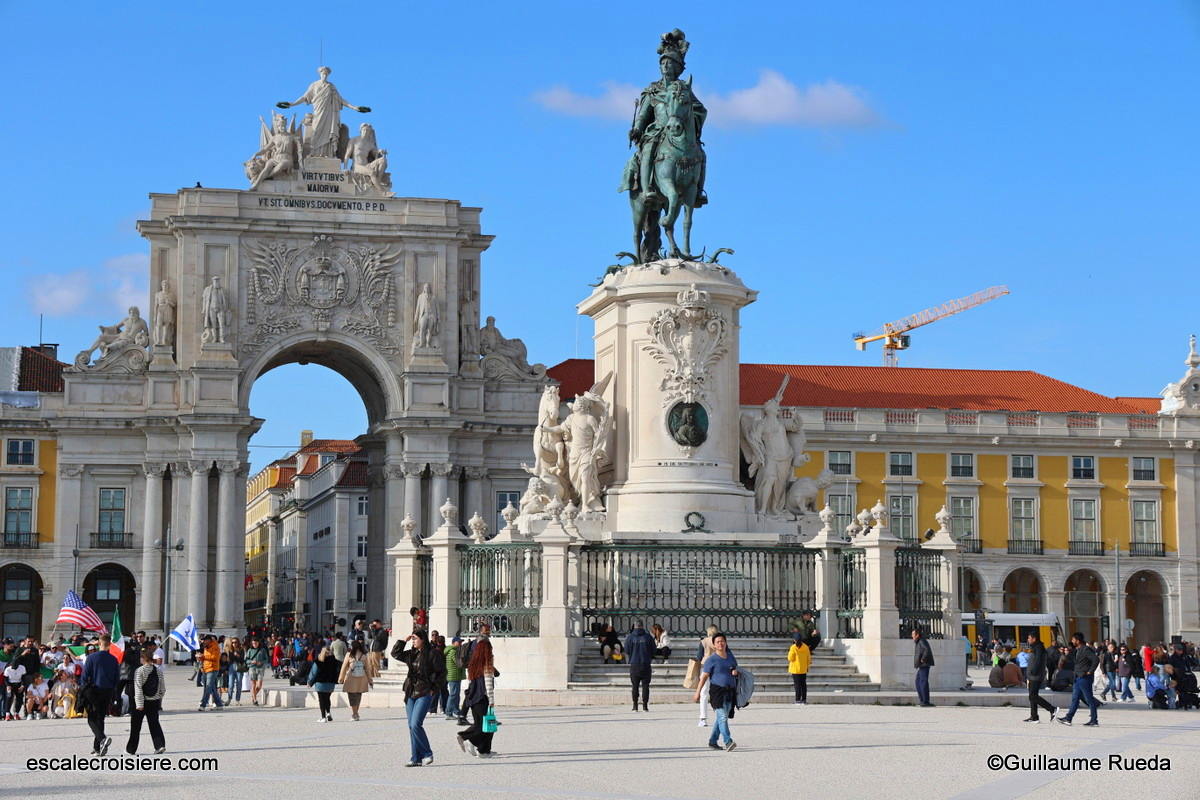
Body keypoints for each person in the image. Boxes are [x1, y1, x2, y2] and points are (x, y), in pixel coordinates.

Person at [392, 629, 445, 767]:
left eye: (416, 638)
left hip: (424, 691)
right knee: (411, 726)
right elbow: (395, 654)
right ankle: (416, 758)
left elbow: (441, 673)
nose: (414, 641)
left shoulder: (433, 654)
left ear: (423, 639)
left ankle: (427, 753)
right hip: (410, 692)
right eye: (413, 639)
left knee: (416, 724)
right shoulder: (411, 654)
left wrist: (434, 688)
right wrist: (404, 640)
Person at [692, 632, 738, 752]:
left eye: (722, 641)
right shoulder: (711, 660)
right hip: (717, 692)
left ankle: (713, 741)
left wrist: (735, 671)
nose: (720, 644)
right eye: (717, 642)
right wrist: (697, 692)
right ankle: (728, 741)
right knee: (722, 717)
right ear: (714, 645)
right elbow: (704, 677)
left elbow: (734, 667)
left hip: (729, 691)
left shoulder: (730, 657)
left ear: (726, 642)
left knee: (721, 718)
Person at [456, 637, 499, 758]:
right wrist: (491, 700)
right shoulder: (486, 663)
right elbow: (488, 684)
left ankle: (484, 750)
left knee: (486, 725)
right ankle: (471, 741)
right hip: (482, 698)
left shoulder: (473, 663)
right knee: (486, 726)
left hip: (473, 698)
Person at [81, 634, 118, 755]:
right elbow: (116, 678)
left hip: (94, 691)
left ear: (99, 644)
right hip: (107, 691)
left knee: (91, 719)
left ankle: (102, 738)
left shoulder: (91, 657)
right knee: (100, 718)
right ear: (109, 644)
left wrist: (83, 690)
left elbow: (85, 677)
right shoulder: (114, 659)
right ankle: (97, 747)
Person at [127, 648, 166, 755]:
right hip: (154, 702)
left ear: (143, 658)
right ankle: (160, 745)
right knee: (154, 724)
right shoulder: (158, 671)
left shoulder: (140, 670)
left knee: (135, 727)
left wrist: (139, 704)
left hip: (142, 702)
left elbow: (138, 688)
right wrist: (158, 697)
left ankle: (131, 749)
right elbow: (162, 689)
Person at [1057, 633, 1100, 726]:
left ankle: (1094, 720)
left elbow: (1096, 659)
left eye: (1073, 640)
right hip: (1077, 677)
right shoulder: (1078, 650)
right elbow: (1075, 662)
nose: (1072, 641)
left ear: (1077, 640)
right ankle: (1068, 718)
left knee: (1089, 699)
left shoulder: (1086, 649)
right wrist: (1066, 654)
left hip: (1084, 678)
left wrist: (1090, 671)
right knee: (1075, 699)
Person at [337, 640, 377, 721]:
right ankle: (356, 713)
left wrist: (341, 678)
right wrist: (370, 680)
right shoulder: (364, 656)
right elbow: (367, 669)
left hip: (351, 678)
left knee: (352, 696)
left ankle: (355, 714)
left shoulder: (349, 655)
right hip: (361, 679)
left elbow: (344, 667)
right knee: (358, 696)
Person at [1022, 633, 1057, 723]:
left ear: (1034, 638)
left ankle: (1052, 709)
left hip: (1035, 676)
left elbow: (1038, 661)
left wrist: (1034, 671)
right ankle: (1034, 717)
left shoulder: (1038, 648)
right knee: (1032, 696)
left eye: (1029, 638)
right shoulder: (1037, 647)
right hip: (1033, 675)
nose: (1028, 639)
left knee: (1033, 696)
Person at [625, 621, 656, 712]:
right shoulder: (648, 637)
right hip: (645, 663)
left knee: (635, 686)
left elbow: (626, 650)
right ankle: (645, 706)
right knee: (646, 686)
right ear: (642, 626)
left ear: (634, 626)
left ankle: (635, 706)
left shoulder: (630, 637)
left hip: (634, 664)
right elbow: (653, 650)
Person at [308, 646, 340, 722]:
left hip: (320, 683)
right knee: (327, 698)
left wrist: (310, 682)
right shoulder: (334, 661)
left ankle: (323, 717)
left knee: (321, 700)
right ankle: (328, 713)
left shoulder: (318, 661)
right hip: (330, 684)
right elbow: (337, 671)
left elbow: (313, 672)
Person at [695, 625, 719, 727]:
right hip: (718, 668)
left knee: (704, 693)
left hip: (705, 667)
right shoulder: (719, 641)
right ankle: (719, 716)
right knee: (718, 692)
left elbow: (699, 656)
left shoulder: (703, 641)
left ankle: (703, 718)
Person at [197, 635, 222, 710]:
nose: (203, 641)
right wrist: (200, 658)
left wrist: (204, 657)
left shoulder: (215, 646)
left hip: (213, 669)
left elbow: (215, 657)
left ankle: (203, 705)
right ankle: (219, 704)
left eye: (205, 640)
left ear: (209, 640)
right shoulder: (205, 647)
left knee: (208, 687)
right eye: (203, 640)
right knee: (212, 688)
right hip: (205, 669)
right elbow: (205, 658)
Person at [912, 627, 935, 707]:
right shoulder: (918, 642)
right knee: (918, 681)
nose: (912, 636)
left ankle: (925, 701)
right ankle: (922, 700)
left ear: (917, 635)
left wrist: (922, 659)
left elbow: (927, 650)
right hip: (921, 665)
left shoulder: (922, 641)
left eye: (913, 634)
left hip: (924, 664)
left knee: (923, 682)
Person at [444, 636, 465, 721]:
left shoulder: (455, 651)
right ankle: (448, 713)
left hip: (456, 675)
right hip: (453, 676)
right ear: (454, 643)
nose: (460, 644)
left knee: (456, 694)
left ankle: (456, 710)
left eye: (461, 642)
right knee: (453, 695)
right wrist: (464, 659)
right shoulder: (453, 651)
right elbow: (458, 663)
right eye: (459, 642)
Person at [788, 633, 811, 705]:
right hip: (803, 669)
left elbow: (790, 658)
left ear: (794, 640)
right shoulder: (806, 647)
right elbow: (809, 659)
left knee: (797, 685)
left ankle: (797, 700)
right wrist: (807, 667)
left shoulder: (793, 647)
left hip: (795, 669)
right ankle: (804, 699)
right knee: (803, 685)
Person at [245, 637, 269, 706]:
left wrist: (261, 662)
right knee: (253, 684)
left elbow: (266, 659)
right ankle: (255, 700)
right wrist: (251, 661)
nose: (254, 644)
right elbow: (246, 660)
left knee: (259, 685)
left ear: (258, 643)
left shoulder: (262, 650)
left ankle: (253, 695)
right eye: (253, 643)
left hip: (260, 668)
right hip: (252, 668)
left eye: (256, 643)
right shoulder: (249, 650)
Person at [225, 637, 246, 706]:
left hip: (239, 668)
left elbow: (242, 660)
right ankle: (229, 698)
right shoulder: (230, 650)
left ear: (238, 642)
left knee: (239, 684)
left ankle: (237, 700)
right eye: (233, 642)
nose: (234, 644)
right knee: (230, 684)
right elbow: (230, 660)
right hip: (231, 667)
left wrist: (238, 655)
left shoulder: (241, 649)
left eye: (235, 642)